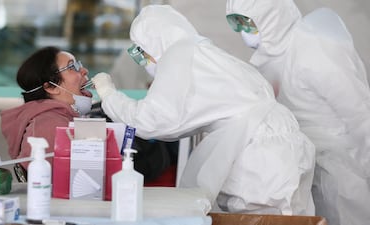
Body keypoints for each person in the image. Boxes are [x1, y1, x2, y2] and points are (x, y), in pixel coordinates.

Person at [92, 5, 315, 215]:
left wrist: (109, 95)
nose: (143, 61)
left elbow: (153, 121)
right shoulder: (203, 52)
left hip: (261, 159)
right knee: (287, 216)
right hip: (281, 148)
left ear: (154, 42)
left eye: (142, 52)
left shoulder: (179, 56)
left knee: (265, 217)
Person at [225, 0, 370, 224]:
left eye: (249, 24)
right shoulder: (269, 58)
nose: (244, 33)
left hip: (346, 170)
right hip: (310, 168)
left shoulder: (312, 47)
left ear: (271, 16)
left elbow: (358, 113)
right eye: (238, 25)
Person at [1, 46, 93, 172]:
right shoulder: (50, 125)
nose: (84, 70)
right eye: (72, 67)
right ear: (51, 87)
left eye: (78, 64)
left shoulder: (62, 117)